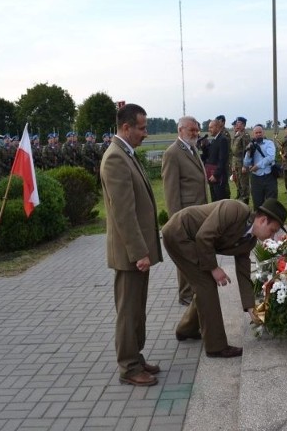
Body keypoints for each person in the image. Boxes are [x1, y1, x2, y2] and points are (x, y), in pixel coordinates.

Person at [162, 198, 287, 358]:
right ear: (263, 220)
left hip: (194, 242)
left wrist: (251, 308)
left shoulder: (249, 240)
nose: (272, 235)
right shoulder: (234, 210)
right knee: (206, 286)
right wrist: (214, 268)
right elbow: (204, 236)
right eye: (272, 230)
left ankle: (186, 329)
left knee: (204, 287)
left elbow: (243, 274)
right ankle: (216, 347)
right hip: (179, 234)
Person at [100, 103, 163, 387]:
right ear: (126, 127)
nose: (145, 133)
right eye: (141, 128)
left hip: (136, 251)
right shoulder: (115, 158)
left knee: (137, 309)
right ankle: (128, 367)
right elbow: (123, 213)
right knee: (128, 312)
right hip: (129, 253)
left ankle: (135, 357)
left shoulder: (126, 154)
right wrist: (139, 252)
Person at [161, 116, 209, 306]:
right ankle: (186, 295)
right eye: (192, 130)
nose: (196, 133)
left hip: (199, 212)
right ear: (180, 130)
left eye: (197, 130)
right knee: (185, 255)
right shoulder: (172, 153)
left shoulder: (192, 148)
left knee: (196, 253)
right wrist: (176, 222)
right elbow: (171, 191)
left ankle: (194, 290)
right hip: (185, 216)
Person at [243, 124, 278, 209]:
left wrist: (257, 166)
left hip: (269, 176)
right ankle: (259, 221)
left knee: (271, 202)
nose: (258, 134)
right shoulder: (251, 145)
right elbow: (246, 163)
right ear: (253, 134)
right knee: (257, 203)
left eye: (260, 132)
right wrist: (248, 153)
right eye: (256, 133)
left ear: (263, 133)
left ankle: (272, 221)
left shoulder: (269, 143)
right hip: (256, 178)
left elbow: (270, 157)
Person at [205, 119, 230, 201]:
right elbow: (211, 156)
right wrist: (204, 146)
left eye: (211, 127)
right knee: (214, 200)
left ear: (217, 127)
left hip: (218, 177)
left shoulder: (222, 139)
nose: (209, 130)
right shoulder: (215, 139)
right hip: (212, 175)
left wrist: (216, 175)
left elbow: (222, 159)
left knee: (220, 200)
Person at [231, 116, 251, 204]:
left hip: (242, 162)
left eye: (239, 123)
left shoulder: (245, 135)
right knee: (238, 182)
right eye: (236, 123)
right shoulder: (237, 134)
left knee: (244, 183)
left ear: (243, 125)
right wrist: (233, 165)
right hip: (236, 162)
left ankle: (245, 200)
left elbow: (247, 151)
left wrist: (245, 165)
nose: (237, 125)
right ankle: (241, 198)